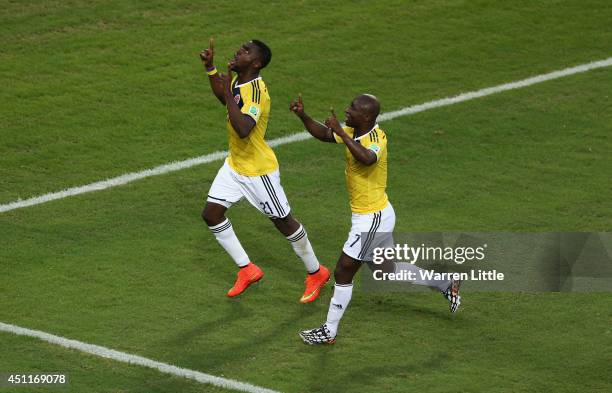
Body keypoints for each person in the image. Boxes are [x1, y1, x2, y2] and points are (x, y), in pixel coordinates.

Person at [289, 94, 461, 344]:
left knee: (343, 270)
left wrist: (343, 133)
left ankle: (329, 331)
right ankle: (446, 283)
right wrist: (303, 116)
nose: (347, 111)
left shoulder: (376, 138)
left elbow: (367, 158)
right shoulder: (352, 129)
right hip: (372, 215)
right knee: (387, 270)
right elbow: (325, 134)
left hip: (372, 219)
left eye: (353, 109)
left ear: (367, 116)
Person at [198, 39, 329, 303]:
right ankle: (247, 269)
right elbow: (226, 99)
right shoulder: (239, 80)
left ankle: (316, 272)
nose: (238, 51)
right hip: (235, 165)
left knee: (283, 222)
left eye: (246, 51)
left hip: (259, 172)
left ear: (256, 63)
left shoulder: (257, 91)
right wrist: (212, 70)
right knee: (211, 214)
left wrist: (227, 87)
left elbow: (244, 128)